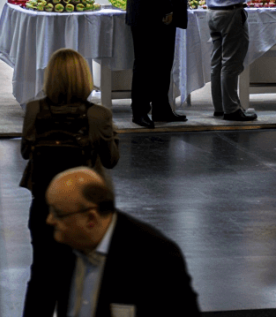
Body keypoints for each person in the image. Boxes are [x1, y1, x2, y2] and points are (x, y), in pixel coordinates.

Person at [19, 51, 120, 317]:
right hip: (83, 210)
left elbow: (25, 152)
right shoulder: (98, 115)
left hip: (43, 206)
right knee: (77, 280)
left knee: (40, 277)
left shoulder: (33, 110)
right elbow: (111, 160)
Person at [44, 168, 200, 317]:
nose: (49, 220)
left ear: (91, 219)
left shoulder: (156, 257)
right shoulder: (64, 245)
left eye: (58, 213)